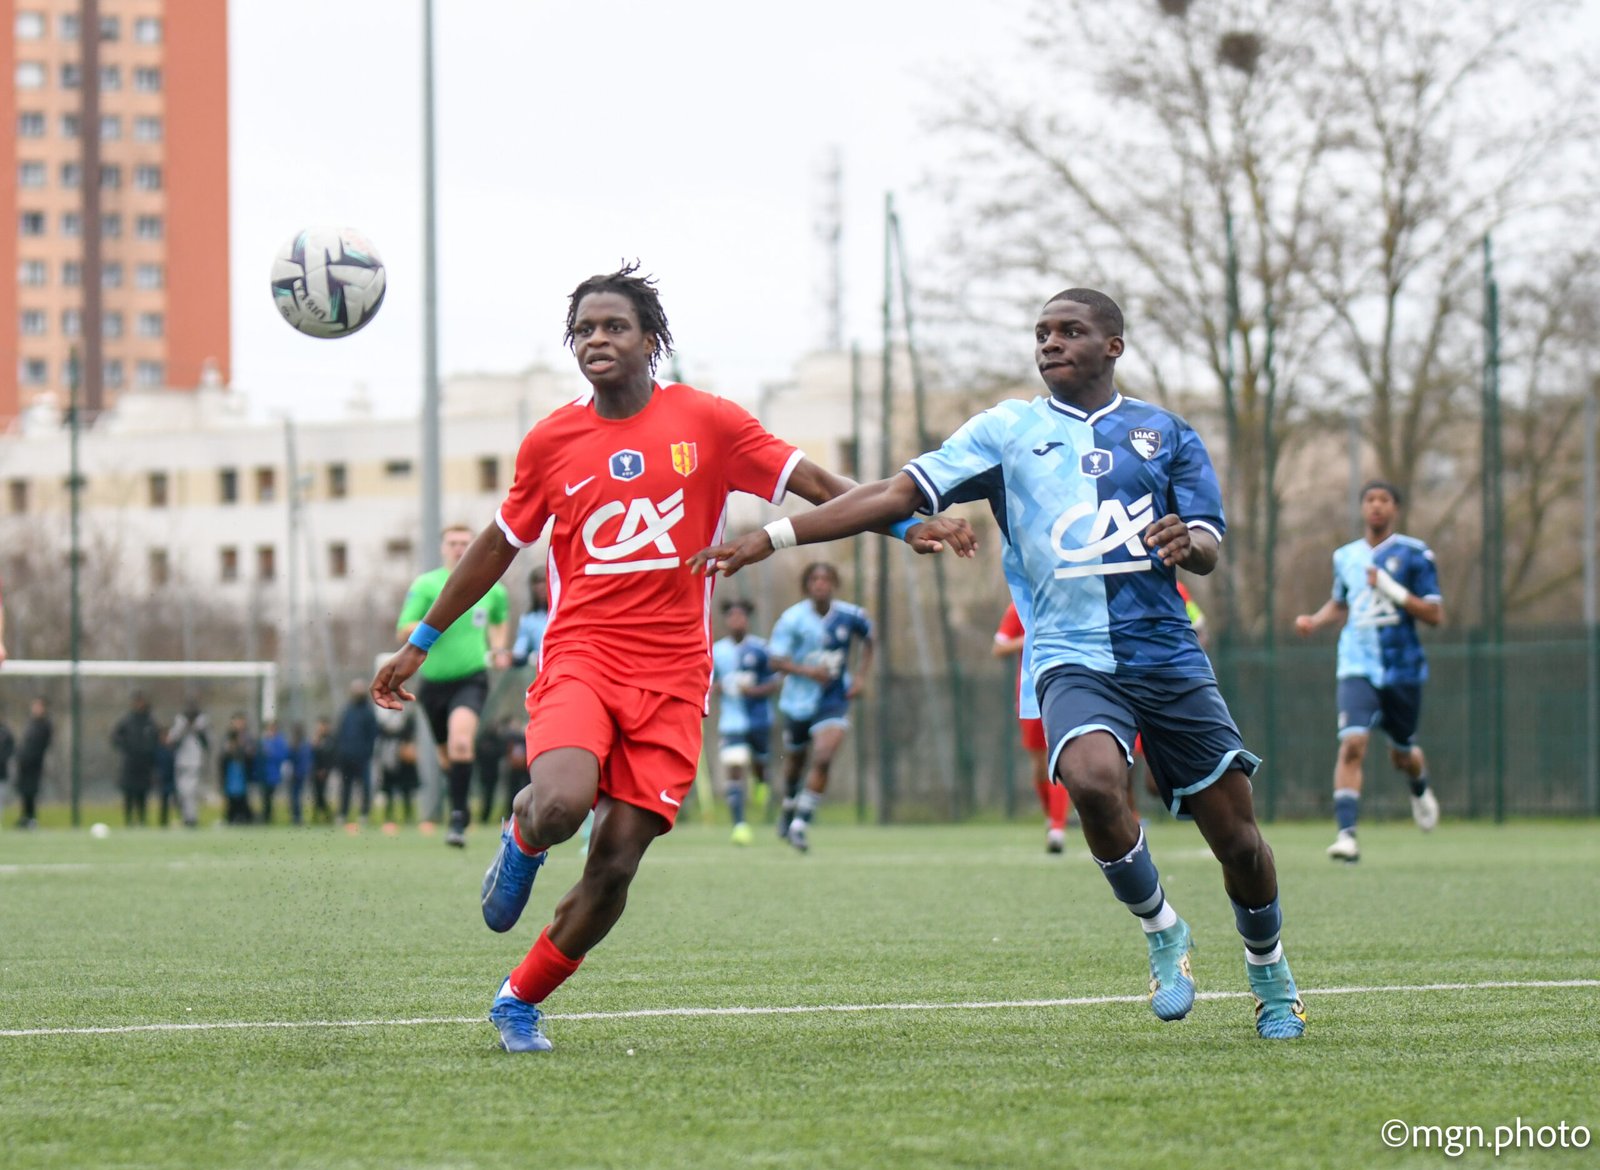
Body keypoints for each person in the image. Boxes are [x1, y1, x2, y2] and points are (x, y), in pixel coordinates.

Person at [694, 287, 1308, 1040]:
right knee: (1089, 780)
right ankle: (1163, 932)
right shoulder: (1007, 430)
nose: (1050, 343)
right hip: (1068, 655)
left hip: (1168, 654)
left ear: (1113, 345)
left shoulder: (1165, 433)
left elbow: (1210, 545)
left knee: (1239, 842)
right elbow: (893, 493)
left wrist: (1190, 544)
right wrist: (776, 536)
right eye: (1042, 332)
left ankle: (1269, 970)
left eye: (1070, 331)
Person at [371, 262, 942, 1053]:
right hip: (582, 655)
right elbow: (501, 545)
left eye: (613, 327)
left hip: (675, 676)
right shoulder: (551, 441)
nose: (596, 341)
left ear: (651, 340)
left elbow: (813, 482)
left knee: (614, 865)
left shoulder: (708, 422)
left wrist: (906, 525)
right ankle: (525, 834)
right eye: (583, 330)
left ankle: (518, 1001)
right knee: (563, 802)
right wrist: (419, 642)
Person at [1294, 480, 1443, 863]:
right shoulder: (1345, 556)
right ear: (1362, 508)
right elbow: (1342, 602)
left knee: (1402, 753)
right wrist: (1316, 620)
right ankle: (1347, 835)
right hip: (1356, 664)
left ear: (1395, 508)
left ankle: (1419, 784)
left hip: (1402, 669)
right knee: (1353, 742)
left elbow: (1435, 614)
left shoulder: (1415, 554)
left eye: (1384, 500)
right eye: (1370, 500)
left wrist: (1392, 589)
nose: (1376, 506)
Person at [396, 525, 512, 848]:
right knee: (447, 755)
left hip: (472, 678)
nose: (460, 548)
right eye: (453, 543)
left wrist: (499, 647)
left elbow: (500, 619)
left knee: (462, 742)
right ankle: (458, 796)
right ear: (443, 548)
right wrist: (435, 623)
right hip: (433, 682)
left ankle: (458, 817)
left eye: (465, 543)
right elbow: (402, 628)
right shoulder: (427, 585)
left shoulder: (492, 587)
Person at [768, 563, 874, 852]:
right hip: (797, 701)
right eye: (814, 579)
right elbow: (775, 661)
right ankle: (789, 805)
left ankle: (801, 824)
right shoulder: (792, 619)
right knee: (795, 763)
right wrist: (808, 671)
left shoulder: (850, 615)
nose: (820, 584)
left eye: (826, 579)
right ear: (806, 586)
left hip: (833, 698)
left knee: (825, 756)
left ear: (834, 584)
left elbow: (869, 639)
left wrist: (861, 677)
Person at [994, 601, 1070, 853]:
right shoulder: (1018, 607)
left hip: (1062, 688)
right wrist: (1029, 639)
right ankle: (1052, 818)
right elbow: (999, 647)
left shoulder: (1063, 601)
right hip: (1029, 693)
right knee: (1039, 764)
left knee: (1056, 757)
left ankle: (1058, 828)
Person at [710, 598, 780, 844]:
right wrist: (720, 686)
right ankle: (739, 824)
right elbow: (709, 682)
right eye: (732, 616)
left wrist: (755, 691)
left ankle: (761, 783)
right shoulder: (717, 651)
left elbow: (775, 681)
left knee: (759, 765)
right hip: (731, 722)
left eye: (741, 616)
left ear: (747, 619)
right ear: (726, 620)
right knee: (735, 765)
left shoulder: (761, 648)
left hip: (759, 720)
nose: (736, 620)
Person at [110, 692, 160, 827]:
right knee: (129, 793)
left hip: (145, 765)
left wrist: (149, 754)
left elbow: (156, 740)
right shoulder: (127, 721)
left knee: (142, 793)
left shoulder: (150, 721)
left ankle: (142, 820)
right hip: (130, 763)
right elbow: (115, 737)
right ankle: (129, 820)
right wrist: (126, 747)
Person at [334, 680, 379, 829]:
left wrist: (368, 752)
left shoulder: (368, 712)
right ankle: (343, 814)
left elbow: (373, 735)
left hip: (362, 757)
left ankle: (364, 814)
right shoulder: (347, 711)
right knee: (345, 787)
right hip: (346, 756)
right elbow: (340, 733)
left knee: (364, 786)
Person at [376, 702, 421, 829]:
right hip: (389, 756)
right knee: (388, 788)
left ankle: (409, 817)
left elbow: (410, 730)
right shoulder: (383, 714)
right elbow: (381, 731)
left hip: (403, 756)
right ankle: (388, 817)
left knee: (406, 788)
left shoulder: (407, 714)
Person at [168, 699, 210, 829]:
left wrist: (198, 730)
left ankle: (192, 819)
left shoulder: (202, 723)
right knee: (182, 793)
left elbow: (207, 743)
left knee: (191, 792)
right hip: (181, 763)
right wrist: (184, 728)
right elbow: (172, 741)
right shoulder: (180, 723)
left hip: (195, 763)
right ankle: (186, 817)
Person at [219, 713, 255, 825]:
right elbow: (223, 756)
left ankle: (245, 818)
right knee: (231, 797)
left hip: (243, 772)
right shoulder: (227, 737)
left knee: (243, 797)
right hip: (231, 772)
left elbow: (250, 755)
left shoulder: (247, 738)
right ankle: (231, 818)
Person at [511, 568, 550, 668]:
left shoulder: (562, 614)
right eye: (537, 583)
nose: (541, 587)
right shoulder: (528, 619)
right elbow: (520, 649)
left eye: (544, 582)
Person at [255, 719, 290, 825]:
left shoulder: (280, 741)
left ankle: (268, 817)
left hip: (273, 775)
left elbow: (283, 756)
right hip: (263, 774)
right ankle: (265, 817)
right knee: (264, 797)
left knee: (269, 796)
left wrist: (270, 752)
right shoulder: (263, 740)